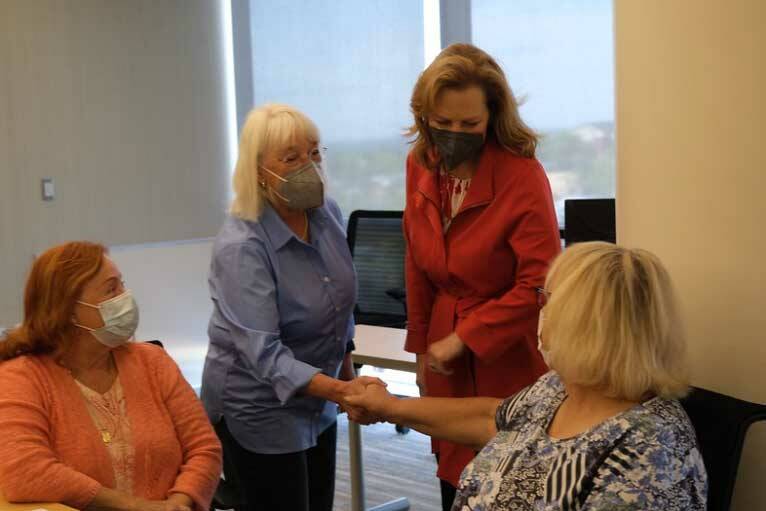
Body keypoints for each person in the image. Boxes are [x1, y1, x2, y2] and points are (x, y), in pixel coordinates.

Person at [347, 242, 708, 510]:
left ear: (585, 326)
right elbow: (492, 418)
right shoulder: (560, 388)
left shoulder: (651, 447)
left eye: (546, 299)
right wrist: (389, 406)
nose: (541, 311)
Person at [200, 103, 382, 511]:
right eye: (291, 157)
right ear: (258, 171)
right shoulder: (242, 245)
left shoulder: (327, 215)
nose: (309, 165)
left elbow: (339, 312)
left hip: (317, 400)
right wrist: (342, 390)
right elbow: (264, 355)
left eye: (314, 153)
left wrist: (346, 380)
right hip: (258, 407)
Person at [403, 43, 561, 508]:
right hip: (443, 351)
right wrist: (418, 349)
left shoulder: (521, 175)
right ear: (425, 117)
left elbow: (539, 283)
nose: (455, 134)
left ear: (492, 115)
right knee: (455, 482)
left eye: (469, 124)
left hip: (507, 354)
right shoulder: (420, 165)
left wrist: (467, 336)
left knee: (508, 481)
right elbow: (416, 262)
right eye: (443, 123)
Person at [0, 241, 222, 511]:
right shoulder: (21, 378)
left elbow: (204, 449)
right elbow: (25, 470)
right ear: (69, 309)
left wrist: (178, 502)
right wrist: (136, 507)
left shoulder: (153, 362)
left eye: (122, 284)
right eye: (111, 288)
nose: (125, 297)